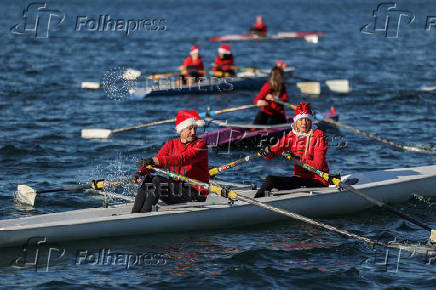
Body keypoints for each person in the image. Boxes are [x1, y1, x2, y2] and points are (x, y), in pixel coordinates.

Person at [131, 110, 209, 213]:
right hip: (176, 190)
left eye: (195, 128)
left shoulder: (201, 145)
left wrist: (153, 160)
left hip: (195, 194)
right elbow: (156, 162)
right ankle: (135, 213)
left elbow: (182, 159)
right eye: (190, 128)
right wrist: (140, 172)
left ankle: (144, 216)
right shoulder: (171, 144)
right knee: (149, 178)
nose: (193, 132)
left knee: (157, 181)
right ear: (181, 129)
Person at [255, 102, 329, 198]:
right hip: (299, 179)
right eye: (301, 120)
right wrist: (267, 151)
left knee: (271, 180)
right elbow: (273, 152)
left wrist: (298, 159)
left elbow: (319, 165)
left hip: (318, 180)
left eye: (307, 120)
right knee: (271, 180)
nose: (304, 123)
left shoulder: (319, 136)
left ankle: (253, 207)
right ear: (296, 122)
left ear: (311, 122)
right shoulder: (292, 136)